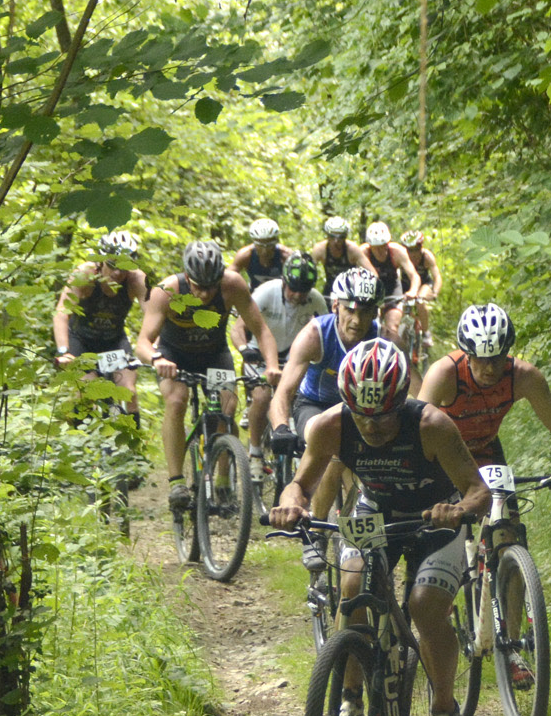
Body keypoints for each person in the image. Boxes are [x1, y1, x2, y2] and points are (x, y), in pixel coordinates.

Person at [268, 339, 491, 716]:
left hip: (433, 520)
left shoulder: (433, 425)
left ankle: (444, 709)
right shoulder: (331, 425)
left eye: (383, 416)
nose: (370, 427)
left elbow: (478, 490)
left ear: (401, 400)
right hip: (376, 513)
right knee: (351, 587)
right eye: (361, 415)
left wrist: (458, 510)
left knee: (425, 606)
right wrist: (292, 503)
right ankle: (350, 697)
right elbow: (301, 482)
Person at [419, 302, 551, 687]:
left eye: (498, 359)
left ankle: (514, 648)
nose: (489, 369)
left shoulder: (523, 377)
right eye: (480, 360)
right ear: (466, 353)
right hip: (445, 457)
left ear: (509, 354)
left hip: (487, 456)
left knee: (509, 539)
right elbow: (415, 426)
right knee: (440, 539)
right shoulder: (444, 375)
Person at [136, 240, 280, 512]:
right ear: (187, 276)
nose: (203, 294)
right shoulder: (167, 291)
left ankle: (224, 478)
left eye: (210, 287)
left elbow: (261, 330)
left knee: (227, 409)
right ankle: (177, 481)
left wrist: (271, 366)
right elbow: (143, 342)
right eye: (198, 286)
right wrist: (157, 359)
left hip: (214, 355)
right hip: (174, 357)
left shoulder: (233, 285)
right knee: (176, 399)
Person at [268, 268, 381, 567]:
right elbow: (283, 392)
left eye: (366, 311)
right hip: (314, 407)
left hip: (358, 409)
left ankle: (364, 533)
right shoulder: (315, 334)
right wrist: (281, 427)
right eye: (349, 310)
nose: (357, 320)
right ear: (335, 306)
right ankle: (315, 532)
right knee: (333, 446)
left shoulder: (382, 337)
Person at [230, 254, 326, 482]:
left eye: (304, 290)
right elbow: (238, 328)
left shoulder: (315, 300)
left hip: (295, 357)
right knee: (262, 397)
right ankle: (254, 453)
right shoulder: (266, 292)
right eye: (293, 289)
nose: (298, 295)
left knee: (297, 399)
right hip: (260, 354)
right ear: (284, 281)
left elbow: (328, 330)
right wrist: (245, 349)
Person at [52, 230, 151, 423]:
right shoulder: (85, 275)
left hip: (113, 341)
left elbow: (153, 315)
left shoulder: (136, 279)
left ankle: (133, 448)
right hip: (81, 341)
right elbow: (61, 314)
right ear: (101, 261)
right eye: (112, 265)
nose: (117, 273)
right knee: (85, 393)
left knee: (128, 392)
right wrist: (64, 352)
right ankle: (80, 443)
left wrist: (152, 347)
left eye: (124, 267)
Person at [359, 221, 420, 345]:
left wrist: (413, 291)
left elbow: (414, 275)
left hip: (392, 290)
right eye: (376, 247)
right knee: (366, 329)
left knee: (392, 328)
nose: (380, 250)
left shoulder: (397, 251)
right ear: (370, 245)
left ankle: (395, 358)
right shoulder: (362, 252)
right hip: (372, 291)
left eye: (383, 245)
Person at [397, 229, 442, 354]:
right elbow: (395, 274)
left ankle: (426, 333)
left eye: (416, 248)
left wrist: (435, 293)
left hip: (424, 284)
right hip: (406, 285)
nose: (413, 253)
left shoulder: (426, 257)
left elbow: (437, 277)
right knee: (397, 307)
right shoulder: (401, 256)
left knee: (419, 300)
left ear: (421, 247)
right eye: (409, 250)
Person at [230, 217, 291, 290]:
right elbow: (228, 277)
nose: (264, 250)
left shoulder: (286, 256)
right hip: (255, 295)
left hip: (280, 295)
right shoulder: (245, 255)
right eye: (260, 245)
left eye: (269, 245)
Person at [312, 216, 367, 296]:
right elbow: (308, 272)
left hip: (351, 291)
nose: (336, 241)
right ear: (327, 236)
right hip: (330, 290)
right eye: (332, 237)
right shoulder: (320, 249)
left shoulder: (352, 250)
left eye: (341, 237)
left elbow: (373, 274)